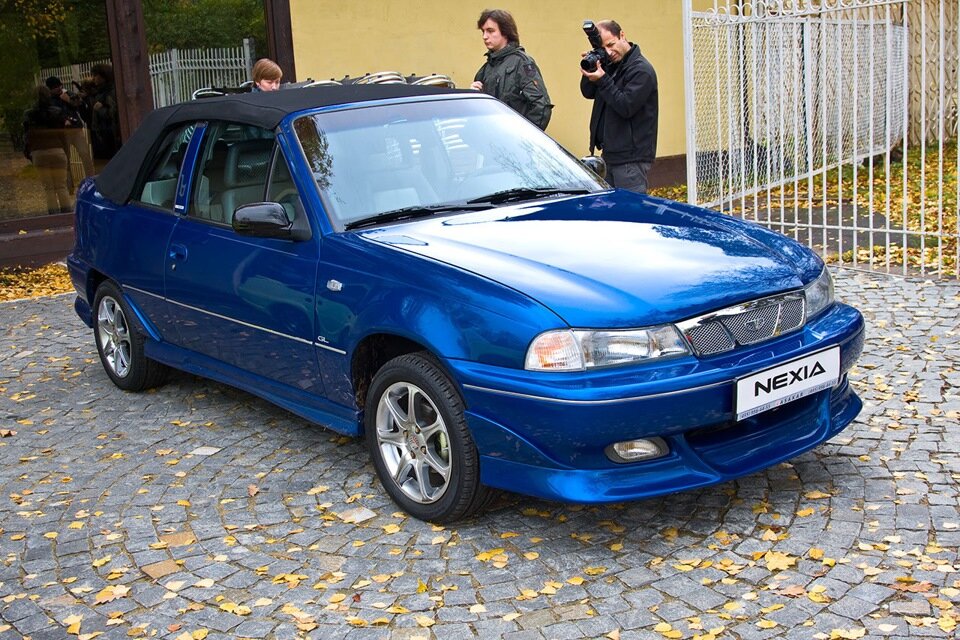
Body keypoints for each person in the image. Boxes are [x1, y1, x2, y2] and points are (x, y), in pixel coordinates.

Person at [580, 19, 658, 194]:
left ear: (622, 35)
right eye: (603, 48)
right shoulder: (610, 65)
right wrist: (591, 69)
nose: (609, 52)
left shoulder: (641, 70)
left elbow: (626, 106)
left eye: (611, 44)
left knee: (630, 209)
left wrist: (603, 79)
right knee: (609, 208)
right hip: (609, 154)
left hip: (631, 159)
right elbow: (588, 92)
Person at [471, 9, 552, 131]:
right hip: (492, 136)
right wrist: (473, 97)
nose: (485, 36)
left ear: (505, 32)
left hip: (515, 137)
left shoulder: (522, 63)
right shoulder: (485, 70)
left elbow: (541, 106)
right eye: (483, 31)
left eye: (490, 31)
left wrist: (524, 135)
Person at [22, 86, 72, 214]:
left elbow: (27, 136)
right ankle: (67, 215)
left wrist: (29, 153)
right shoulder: (57, 112)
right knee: (61, 186)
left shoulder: (29, 115)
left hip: (39, 151)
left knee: (49, 189)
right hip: (57, 149)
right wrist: (66, 152)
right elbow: (62, 135)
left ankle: (53, 216)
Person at [45, 76, 95, 185]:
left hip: (76, 129)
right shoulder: (49, 100)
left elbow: (80, 104)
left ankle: (91, 180)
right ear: (50, 89)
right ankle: (69, 184)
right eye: (55, 87)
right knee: (66, 159)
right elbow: (51, 115)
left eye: (60, 85)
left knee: (85, 154)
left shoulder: (68, 93)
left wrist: (68, 100)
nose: (59, 88)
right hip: (62, 132)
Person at [88, 63, 120, 160]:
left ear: (104, 76)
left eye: (95, 75)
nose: (93, 78)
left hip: (110, 136)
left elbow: (113, 114)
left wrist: (100, 109)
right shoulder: (99, 91)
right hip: (102, 135)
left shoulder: (110, 92)